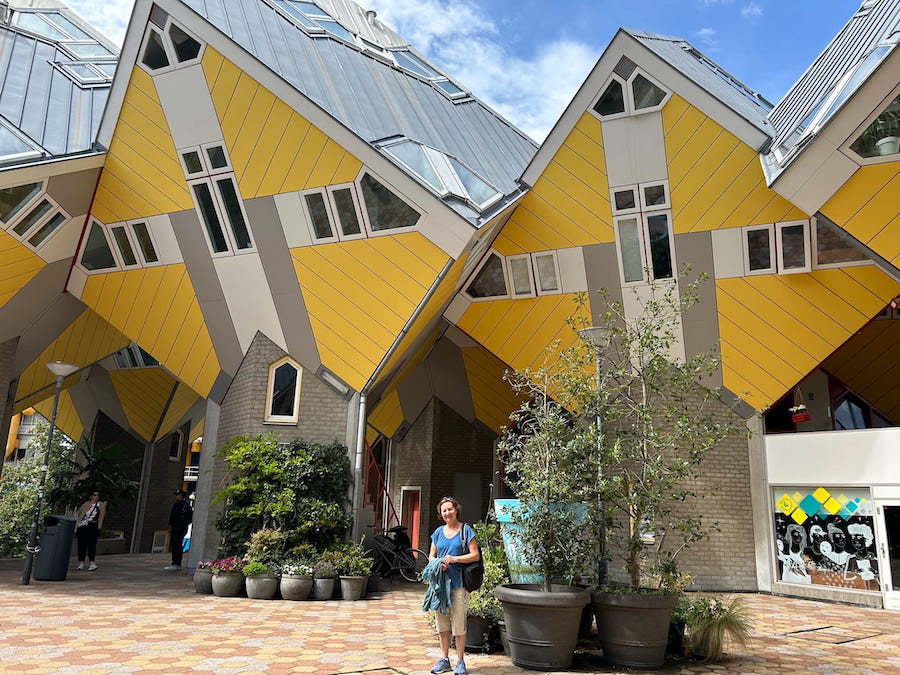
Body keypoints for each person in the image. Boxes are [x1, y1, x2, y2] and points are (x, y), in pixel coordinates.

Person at [427, 496, 479, 675]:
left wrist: (455, 559)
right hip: (440, 586)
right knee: (442, 624)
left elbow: (475, 555)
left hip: (459, 585)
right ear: (440, 514)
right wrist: (437, 563)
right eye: (444, 510)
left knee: (458, 625)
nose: (447, 513)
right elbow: (431, 556)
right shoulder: (438, 533)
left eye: (450, 509)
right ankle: (444, 660)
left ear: (456, 510)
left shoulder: (466, 531)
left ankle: (460, 661)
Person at [75, 490, 106, 571]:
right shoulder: (86, 504)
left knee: (91, 544)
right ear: (91, 496)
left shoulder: (101, 505)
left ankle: (92, 562)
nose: (96, 496)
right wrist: (78, 524)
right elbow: (79, 513)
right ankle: (81, 562)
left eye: (98, 495)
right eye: (95, 495)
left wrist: (99, 527)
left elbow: (101, 516)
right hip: (83, 525)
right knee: (82, 544)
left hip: (93, 525)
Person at [164, 489, 192, 571]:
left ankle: (176, 563)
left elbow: (187, 517)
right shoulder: (180, 505)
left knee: (177, 545)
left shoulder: (184, 506)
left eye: (177, 495)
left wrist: (181, 524)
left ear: (180, 496)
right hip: (177, 527)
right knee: (175, 545)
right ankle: (176, 563)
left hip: (179, 528)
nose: (176, 497)